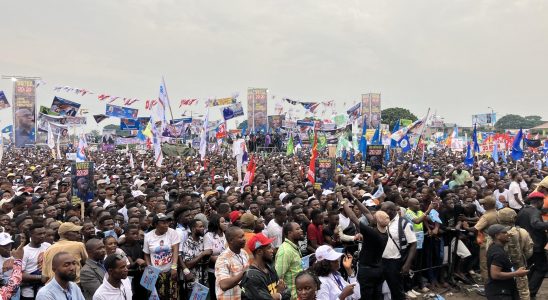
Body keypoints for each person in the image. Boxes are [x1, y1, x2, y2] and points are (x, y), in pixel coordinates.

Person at [380, 201, 417, 300]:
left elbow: (413, 244)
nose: (381, 213)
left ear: (391, 210)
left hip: (395, 262)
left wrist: (407, 264)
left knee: (396, 290)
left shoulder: (404, 223)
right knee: (382, 290)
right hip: (380, 261)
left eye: (383, 210)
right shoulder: (382, 221)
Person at [516, 191, 548, 299]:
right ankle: (531, 292)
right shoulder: (535, 211)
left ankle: (525, 290)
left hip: (525, 245)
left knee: (530, 268)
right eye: (542, 201)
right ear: (539, 202)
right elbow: (536, 224)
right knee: (542, 268)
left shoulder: (523, 210)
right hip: (536, 246)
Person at [497, 207, 534, 300]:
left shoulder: (496, 233)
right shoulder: (522, 232)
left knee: (503, 291)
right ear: (514, 218)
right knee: (523, 291)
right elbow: (529, 251)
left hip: (501, 268)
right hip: (519, 266)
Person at [485, 224, 529, 300]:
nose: (508, 234)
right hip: (500, 293)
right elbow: (495, 274)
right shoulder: (498, 253)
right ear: (497, 236)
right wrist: (517, 273)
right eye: (504, 232)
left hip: (504, 290)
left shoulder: (496, 247)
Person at [241, 233, 289, 300]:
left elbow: (287, 292)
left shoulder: (270, 268)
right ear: (259, 252)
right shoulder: (252, 276)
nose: (272, 250)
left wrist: (278, 295)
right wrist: (280, 295)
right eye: (269, 248)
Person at [143, 213, 180, 300]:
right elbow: (146, 254)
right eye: (163, 223)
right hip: (156, 274)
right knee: (158, 296)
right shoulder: (148, 236)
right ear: (156, 224)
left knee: (173, 297)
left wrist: (174, 267)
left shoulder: (172, 233)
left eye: (167, 222)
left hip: (170, 271)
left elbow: (175, 250)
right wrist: (150, 268)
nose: (167, 225)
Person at [214, 226, 249, 300]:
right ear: (231, 241)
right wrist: (244, 273)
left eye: (244, 236)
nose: (244, 239)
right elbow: (223, 285)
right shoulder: (223, 259)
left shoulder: (244, 253)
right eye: (241, 237)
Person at [275, 222, 305, 299]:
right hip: (292, 296)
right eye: (297, 229)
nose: (301, 230)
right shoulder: (285, 251)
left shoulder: (294, 247)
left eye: (300, 228)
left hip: (300, 294)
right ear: (290, 233)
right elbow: (278, 276)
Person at [181, 219, 211, 297]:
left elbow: (207, 258)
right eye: (200, 227)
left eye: (203, 226)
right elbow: (188, 264)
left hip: (204, 279)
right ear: (194, 229)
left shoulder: (203, 240)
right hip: (193, 281)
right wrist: (203, 254)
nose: (203, 228)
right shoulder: (187, 243)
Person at [21, 223, 51, 300]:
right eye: (39, 234)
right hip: (29, 292)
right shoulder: (24, 251)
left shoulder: (47, 246)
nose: (42, 236)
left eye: (44, 233)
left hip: (46, 289)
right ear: (31, 235)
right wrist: (40, 277)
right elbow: (20, 274)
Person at [204, 214, 228, 300]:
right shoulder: (209, 236)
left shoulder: (226, 235)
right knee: (216, 295)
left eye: (225, 221)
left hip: (227, 271)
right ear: (216, 224)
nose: (225, 224)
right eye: (222, 222)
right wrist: (226, 260)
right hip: (213, 272)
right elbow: (209, 255)